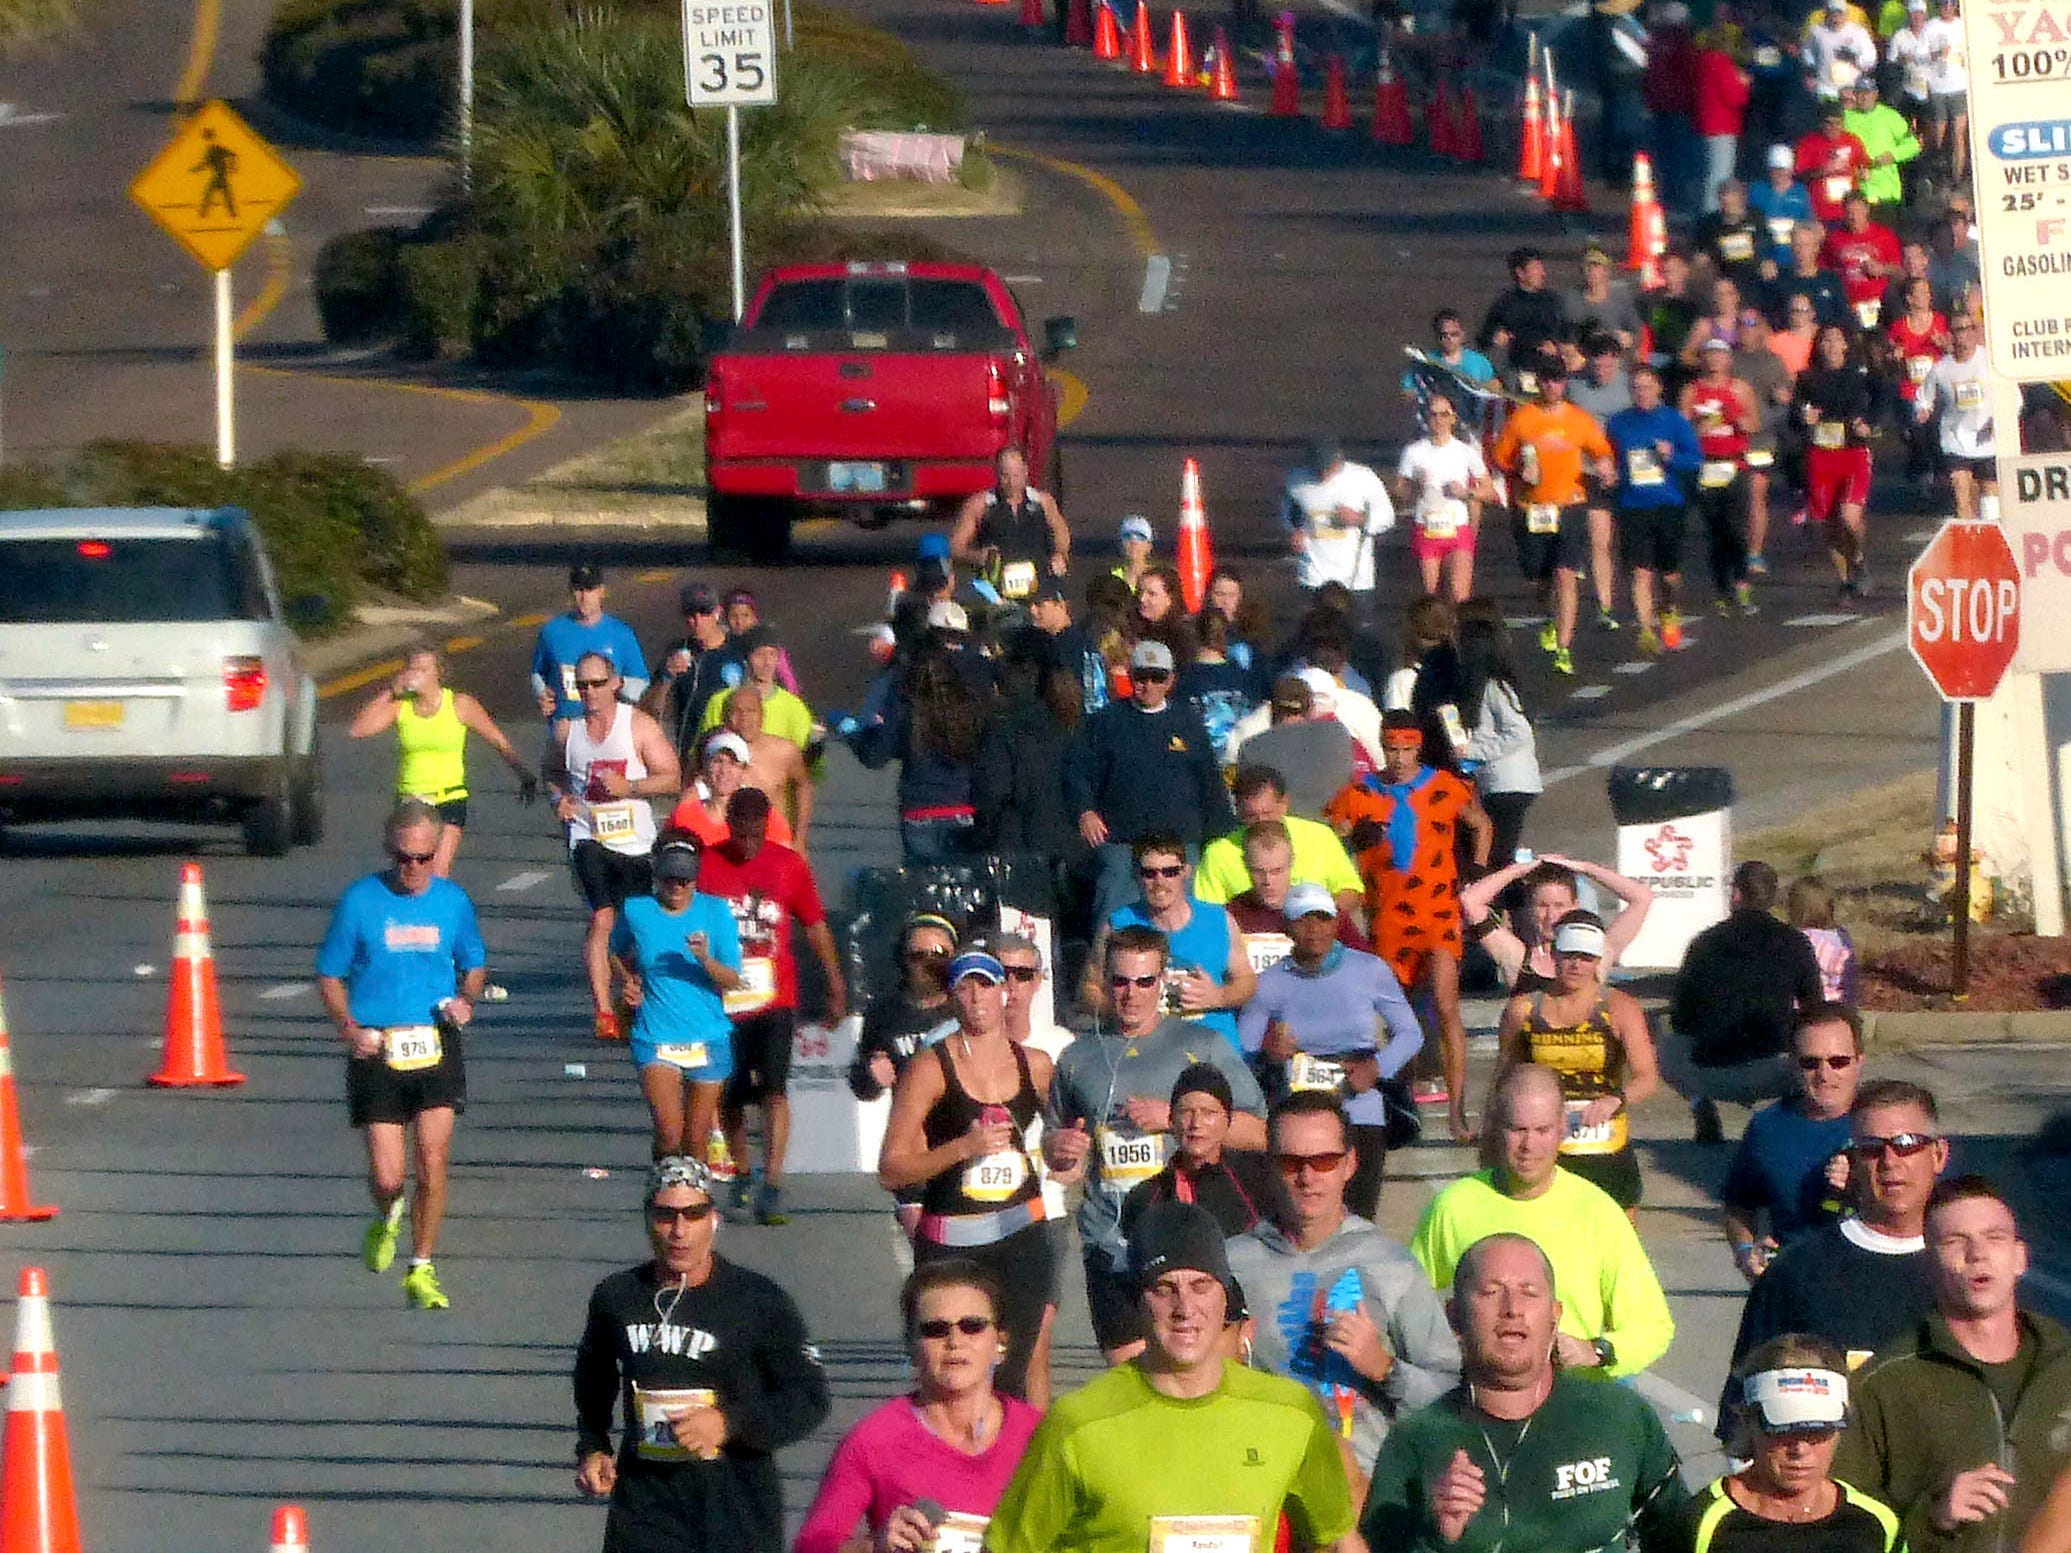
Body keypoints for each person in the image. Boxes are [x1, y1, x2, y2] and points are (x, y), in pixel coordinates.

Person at [984, 1199, 1363, 1553]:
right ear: (1138, 1301)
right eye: (1164, 1289)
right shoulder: (1078, 1424)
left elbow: (1338, 1538)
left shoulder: (1290, 1412)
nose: (1185, 1308)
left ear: (1226, 1297)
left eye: (1202, 1286)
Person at [1362, 1232, 1690, 1553]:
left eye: (1529, 1293)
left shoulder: (1619, 1415)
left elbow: (1680, 1535)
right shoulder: (1415, 1441)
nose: (1512, 1308)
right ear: (1454, 1317)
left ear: (1555, 1314)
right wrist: (1439, 1536)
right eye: (1490, 1292)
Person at [573, 1157, 830, 1553]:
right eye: (665, 1215)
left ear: (713, 1218)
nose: (678, 1232)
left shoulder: (760, 1301)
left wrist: (728, 1423)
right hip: (647, 1505)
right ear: (647, 1218)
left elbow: (809, 1397)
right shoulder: (619, 1296)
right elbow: (594, 1373)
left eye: (692, 1215)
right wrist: (594, 1445)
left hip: (735, 1503)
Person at [1046, 926, 1266, 1364]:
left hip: (1191, 1245)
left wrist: (1173, 1119)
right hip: (1111, 1245)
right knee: (1132, 1381)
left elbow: (1261, 1132)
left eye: (1145, 981)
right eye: (1120, 981)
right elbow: (1056, 1148)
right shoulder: (1077, 1058)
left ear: (1163, 979)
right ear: (1104, 981)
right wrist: (1062, 1148)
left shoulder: (1201, 1044)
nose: (1131, 994)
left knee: (1203, 1373)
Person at [1226, 1091, 1461, 1477]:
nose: (1307, 1178)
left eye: (1324, 1161)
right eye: (1291, 1163)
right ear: (1269, 1165)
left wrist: (1383, 1367)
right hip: (1263, 1484)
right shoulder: (1232, 1265)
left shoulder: (1391, 1264)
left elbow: (1451, 1396)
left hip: (1365, 1493)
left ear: (1350, 1164)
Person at [1835, 1176, 2071, 1553]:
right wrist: (1933, 1516)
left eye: (1995, 1237)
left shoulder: (2065, 1365)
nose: (1977, 1253)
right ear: (1928, 1264)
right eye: (1955, 1241)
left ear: (2020, 1257)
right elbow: (1837, 1526)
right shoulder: (1883, 1384)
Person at [316, 798, 487, 1312]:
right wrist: (350, 1028)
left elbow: (474, 963)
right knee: (390, 1177)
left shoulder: (453, 902)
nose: (413, 869)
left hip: (435, 1042)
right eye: (403, 858)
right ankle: (387, 1215)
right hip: (379, 1047)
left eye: (424, 858)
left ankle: (422, 1265)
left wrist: (466, 998)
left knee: (432, 1161)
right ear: (389, 852)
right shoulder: (360, 901)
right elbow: (329, 974)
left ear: (437, 854)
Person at [1410, 1065, 1677, 1380]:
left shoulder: (1597, 1212)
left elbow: (1653, 1325)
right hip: (1480, 1403)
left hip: (1572, 1404)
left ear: (1562, 1127)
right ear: (1496, 1127)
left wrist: (1595, 1350)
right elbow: (1405, 1303)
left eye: (1542, 1131)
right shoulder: (1452, 1207)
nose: (1529, 1146)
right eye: (1517, 1130)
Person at [878, 946, 1058, 1405]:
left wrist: (1067, 1155)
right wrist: (963, 1147)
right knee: (956, 1381)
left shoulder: (1035, 1065)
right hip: (952, 1242)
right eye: (964, 985)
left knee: (1014, 1372)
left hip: (1021, 1238)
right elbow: (891, 1167)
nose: (977, 996)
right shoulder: (929, 1067)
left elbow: (1064, 1151)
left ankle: (1016, 1471)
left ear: (1005, 993)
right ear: (952, 997)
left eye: (986, 984)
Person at [793, 1260, 1041, 1553]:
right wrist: (875, 1546)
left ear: (1001, 1343)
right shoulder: (873, 1442)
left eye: (972, 1326)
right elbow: (812, 1546)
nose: (954, 1341)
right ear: (912, 1347)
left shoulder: (1041, 1435)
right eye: (935, 1330)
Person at [1724, 1079, 1948, 1401]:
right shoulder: (1796, 1272)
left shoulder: (1966, 1269)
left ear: (1938, 1154)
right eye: (1871, 1148)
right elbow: (1742, 1410)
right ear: (1853, 1159)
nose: (1889, 1161)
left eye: (1907, 1143)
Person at [1326, 711, 1492, 1140]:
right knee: (1397, 1017)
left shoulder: (1444, 786)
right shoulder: (1360, 794)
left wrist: (1475, 870)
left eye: (1406, 749)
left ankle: (1457, 1111)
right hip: (1388, 920)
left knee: (1444, 1002)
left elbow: (1481, 824)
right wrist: (1353, 842)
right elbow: (1331, 838)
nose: (1398, 758)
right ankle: (1403, 1103)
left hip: (1438, 915)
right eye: (1391, 749)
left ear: (1418, 747)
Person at [698, 787, 848, 1227]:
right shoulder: (707, 865)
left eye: (756, 833)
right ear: (729, 825)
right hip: (725, 1000)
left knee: (774, 1089)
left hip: (775, 997)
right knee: (729, 1094)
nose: (748, 842)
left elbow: (815, 926)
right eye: (740, 833)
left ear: (767, 826)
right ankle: (743, 1173)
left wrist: (835, 982)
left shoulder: (788, 866)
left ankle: (774, 1182)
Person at [1238, 885, 1423, 1215]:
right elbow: (1245, 1056)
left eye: (1322, 919)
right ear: (1287, 927)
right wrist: (1271, 1055)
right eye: (1302, 921)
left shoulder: (1369, 970)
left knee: (1359, 1219)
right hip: (1298, 1116)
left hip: (1361, 1109)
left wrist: (1376, 1068)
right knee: (1302, 1215)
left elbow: (1410, 1033)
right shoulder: (1267, 983)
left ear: (1337, 922)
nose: (1313, 930)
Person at [545, 652, 683, 1043]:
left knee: (641, 926)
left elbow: (672, 777)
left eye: (597, 684)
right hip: (588, 838)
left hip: (636, 843)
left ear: (615, 684)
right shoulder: (567, 731)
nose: (589, 692)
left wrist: (631, 788)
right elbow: (552, 772)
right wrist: (560, 800)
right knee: (602, 918)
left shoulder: (637, 725)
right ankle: (603, 1010)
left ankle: (639, 996)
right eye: (582, 685)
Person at [1493, 913, 1659, 1212]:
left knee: (1616, 1240)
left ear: (1598, 960)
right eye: (1569, 955)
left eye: (1586, 957)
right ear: (1554, 953)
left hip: (1605, 1144)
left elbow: (1647, 1077)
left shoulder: (1619, 1008)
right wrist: (1494, 1139)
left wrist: (1614, 1101)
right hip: (1545, 1145)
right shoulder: (1524, 1010)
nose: (1576, 965)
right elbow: (1505, 1078)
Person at [1064, 639, 1234, 929]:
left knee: (1180, 924)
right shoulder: (1105, 722)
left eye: (1158, 677)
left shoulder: (1188, 722)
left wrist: (1219, 836)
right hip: (1122, 845)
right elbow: (1077, 772)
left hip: (1179, 848)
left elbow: (1209, 782)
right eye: (1142, 677)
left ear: (1171, 680)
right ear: (1130, 677)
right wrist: (1085, 811)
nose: (1149, 685)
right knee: (1114, 927)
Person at [1680, 1333, 1905, 1553]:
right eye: (1783, 1429)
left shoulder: (1878, 1524)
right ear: (1749, 1420)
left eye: (1817, 1430)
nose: (1800, 1449)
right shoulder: (1701, 1523)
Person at [1664, 860, 1826, 1142]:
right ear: (1774, 898)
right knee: (1813, 1038)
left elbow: (1682, 1016)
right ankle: (1789, 1112)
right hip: (1777, 1070)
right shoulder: (1795, 942)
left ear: (1736, 894)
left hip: (1709, 1070)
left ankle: (1699, 1102)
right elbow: (1814, 1006)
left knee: (1666, 1040)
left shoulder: (1705, 943)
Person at [609, 837, 745, 1163]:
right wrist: (628, 982)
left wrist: (703, 959)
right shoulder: (637, 910)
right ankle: (661, 1196)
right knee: (670, 1134)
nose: (676, 886)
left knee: (696, 1140)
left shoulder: (715, 911)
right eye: (669, 878)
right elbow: (614, 951)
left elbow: (732, 978)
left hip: (708, 1036)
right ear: (657, 877)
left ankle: (695, 1206)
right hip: (655, 1034)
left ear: (695, 880)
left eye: (684, 880)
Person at [347, 644, 537, 876]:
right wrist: (391, 690)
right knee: (410, 872)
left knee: (437, 872)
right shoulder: (401, 706)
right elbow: (358, 729)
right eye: (412, 669)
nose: (416, 674)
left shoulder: (459, 704)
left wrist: (524, 774)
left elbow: (497, 740)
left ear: (438, 673)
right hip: (411, 799)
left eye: (423, 669)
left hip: (449, 797)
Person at [1720, 1005, 1865, 1282]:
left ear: (1859, 1061)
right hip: (1794, 1285)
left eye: (1839, 1062)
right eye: (1810, 1063)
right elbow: (1737, 1205)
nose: (1824, 1074)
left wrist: (1865, 1185)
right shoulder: (1767, 1127)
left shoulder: (1887, 1124)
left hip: (1872, 1283)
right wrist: (1745, 1251)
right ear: (1792, 1064)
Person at [1489, 362, 1616, 677]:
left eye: (1558, 381)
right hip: (1532, 507)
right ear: (1540, 384)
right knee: (1538, 577)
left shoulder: (1578, 419)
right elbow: (1501, 457)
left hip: (1570, 504)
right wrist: (1521, 469)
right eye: (1547, 381)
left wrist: (1605, 466)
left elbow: (1601, 451)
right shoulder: (1523, 419)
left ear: (1564, 384)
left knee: (1566, 574)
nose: (1552, 387)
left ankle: (1564, 647)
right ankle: (1549, 616)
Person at [1083, 833, 1255, 1046]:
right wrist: (1127, 1010)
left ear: (1186, 872)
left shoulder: (1219, 920)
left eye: (1170, 872)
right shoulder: (1117, 925)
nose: (1160, 882)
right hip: (1146, 1051)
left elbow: (1247, 981)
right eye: (1149, 873)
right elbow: (1089, 988)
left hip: (1213, 1049)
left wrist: (1218, 997)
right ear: (1136, 875)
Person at [851, 645, 986, 864]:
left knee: (922, 887)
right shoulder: (968, 710)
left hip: (919, 810)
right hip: (961, 808)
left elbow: (876, 756)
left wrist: (855, 733)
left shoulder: (907, 711)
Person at [1606, 363, 1705, 656]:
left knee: (1668, 574)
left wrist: (1671, 455)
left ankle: (1669, 608)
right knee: (1640, 571)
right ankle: (1646, 630)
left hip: (1668, 502)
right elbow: (1607, 457)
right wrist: (1609, 472)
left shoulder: (1673, 421)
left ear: (1659, 388)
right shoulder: (1619, 423)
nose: (1642, 392)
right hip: (1632, 503)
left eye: (1647, 386)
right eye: (1636, 387)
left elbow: (1695, 460)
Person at [1118, 1062, 1274, 1240]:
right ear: (1171, 1120)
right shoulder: (1145, 1197)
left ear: (1228, 1121)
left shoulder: (1259, 1182)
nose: (1196, 1123)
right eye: (1186, 1112)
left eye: (1209, 1113)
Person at [1461, 853, 1654, 993]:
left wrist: (1585, 867)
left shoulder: (1597, 954)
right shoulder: (1519, 959)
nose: (1551, 915)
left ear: (1576, 906)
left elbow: (1642, 897)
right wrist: (1519, 869)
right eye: (1542, 906)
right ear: (1529, 908)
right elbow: (1470, 901)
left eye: (1560, 905)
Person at [1194, 764, 1362, 916]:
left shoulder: (1319, 836)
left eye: (1267, 813)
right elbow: (1207, 914)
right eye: (1251, 815)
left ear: (1284, 803)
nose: (1261, 821)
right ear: (1238, 810)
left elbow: (1351, 892)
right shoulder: (1218, 854)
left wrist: (1312, 916)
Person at [1680, 337, 1763, 617]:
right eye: (1709, 355)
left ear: (1728, 359)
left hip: (1734, 465)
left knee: (1735, 528)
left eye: (1720, 355)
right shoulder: (1692, 391)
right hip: (1706, 466)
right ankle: (1722, 590)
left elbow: (1754, 423)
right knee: (1715, 531)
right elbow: (1681, 428)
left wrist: (1736, 419)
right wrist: (1697, 427)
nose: (1715, 360)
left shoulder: (1739, 389)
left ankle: (1742, 583)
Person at [1221, 822, 1373, 968]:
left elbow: (1366, 965)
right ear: (1245, 864)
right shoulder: (1230, 916)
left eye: (1277, 871)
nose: (1268, 881)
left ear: (1291, 862)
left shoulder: (1321, 911)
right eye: (1258, 871)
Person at [1456, 606, 1541, 868]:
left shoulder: (1495, 688)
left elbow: (1518, 733)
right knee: (1500, 850)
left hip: (1508, 782)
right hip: (1503, 782)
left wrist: (1472, 751)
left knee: (1499, 854)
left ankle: (1501, 903)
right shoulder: (1495, 686)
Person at [1396, 392, 1493, 603]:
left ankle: (1459, 634)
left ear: (1453, 418)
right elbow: (1400, 492)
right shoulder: (1413, 452)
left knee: (1459, 594)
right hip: (1426, 528)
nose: (1439, 420)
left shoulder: (1465, 452)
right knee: (1432, 597)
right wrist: (1416, 487)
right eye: (1433, 415)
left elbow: (1489, 491)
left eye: (1444, 414)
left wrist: (1466, 493)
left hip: (1457, 529)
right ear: (1427, 418)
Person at [950, 445, 1070, 602]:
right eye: (1005, 476)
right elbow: (955, 547)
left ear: (1026, 472)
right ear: (997, 473)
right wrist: (977, 556)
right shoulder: (980, 505)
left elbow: (1061, 532)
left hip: (1041, 589)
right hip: (996, 593)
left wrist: (1060, 554)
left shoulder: (1042, 502)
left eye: (1016, 475)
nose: (1011, 482)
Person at [531, 561, 649, 721]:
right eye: (579, 590)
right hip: (566, 726)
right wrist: (542, 694)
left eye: (590, 590)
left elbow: (641, 682)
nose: (584, 597)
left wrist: (617, 684)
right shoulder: (552, 632)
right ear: (571, 592)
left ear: (601, 591)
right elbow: (538, 672)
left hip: (607, 728)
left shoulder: (621, 634)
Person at [644, 582, 744, 765]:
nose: (697, 620)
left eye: (704, 612)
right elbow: (651, 710)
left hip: (731, 755)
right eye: (691, 614)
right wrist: (667, 677)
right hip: (691, 757)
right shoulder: (677, 652)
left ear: (717, 612)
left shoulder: (739, 650)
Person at [1281, 437, 1396, 594]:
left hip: (1355, 580)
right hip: (1313, 577)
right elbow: (1288, 513)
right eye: (1318, 468)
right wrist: (1294, 532)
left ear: (1339, 459)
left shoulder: (1363, 477)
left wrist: (1357, 519)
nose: (1323, 473)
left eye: (1328, 467)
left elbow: (1387, 517)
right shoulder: (1297, 480)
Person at [1235, 677, 1356, 819]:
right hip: (1335, 834)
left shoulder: (1251, 749)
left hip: (1279, 836)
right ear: (1311, 708)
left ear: (1272, 709)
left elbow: (1247, 807)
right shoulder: (1337, 734)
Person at [712, 685, 813, 850]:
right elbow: (691, 790)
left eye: (751, 712)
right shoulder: (712, 752)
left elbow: (803, 787)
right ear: (725, 717)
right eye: (736, 712)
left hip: (774, 843)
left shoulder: (785, 751)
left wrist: (800, 839)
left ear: (762, 716)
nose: (744, 718)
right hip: (725, 845)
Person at [1916, 312, 1995, 522]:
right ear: (1951, 335)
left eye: (1970, 328)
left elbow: (2013, 396)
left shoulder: (1990, 360)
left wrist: (1999, 421)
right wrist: (1923, 408)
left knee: (1989, 504)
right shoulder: (1942, 368)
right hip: (1956, 440)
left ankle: (1986, 542)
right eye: (1960, 329)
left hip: (1989, 441)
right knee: (1962, 494)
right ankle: (1970, 545)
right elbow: (1924, 395)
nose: (1966, 334)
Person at [667, 730, 794, 850]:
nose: (724, 770)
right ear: (705, 768)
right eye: (717, 761)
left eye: (733, 763)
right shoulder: (684, 815)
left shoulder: (765, 816)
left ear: (744, 771)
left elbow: (784, 861)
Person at [1476, 246, 1571, 383]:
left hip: (1550, 371)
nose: (1543, 273)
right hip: (1518, 370)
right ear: (1520, 273)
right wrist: (1495, 338)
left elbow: (1566, 334)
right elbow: (1483, 341)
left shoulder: (1553, 302)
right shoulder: (1505, 304)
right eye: (1536, 268)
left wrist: (1555, 346)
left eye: (1542, 268)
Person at [1796, 97, 1873, 226]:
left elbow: (1864, 165)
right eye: (1829, 123)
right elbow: (1800, 176)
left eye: (1838, 123)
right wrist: (1823, 171)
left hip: (1848, 212)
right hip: (1821, 212)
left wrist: (1863, 173)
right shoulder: (1808, 143)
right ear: (1821, 123)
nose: (1834, 127)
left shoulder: (1852, 141)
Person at [1790, 876, 1859, 1005]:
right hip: (1835, 1005)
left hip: (1800, 1009)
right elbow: (1849, 977)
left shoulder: (1792, 939)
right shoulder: (1841, 937)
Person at [1113, 513, 1156, 593]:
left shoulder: (1158, 579)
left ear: (1149, 546)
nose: (1133, 542)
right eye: (1127, 536)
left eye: (1140, 537)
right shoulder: (1112, 578)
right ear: (1121, 545)